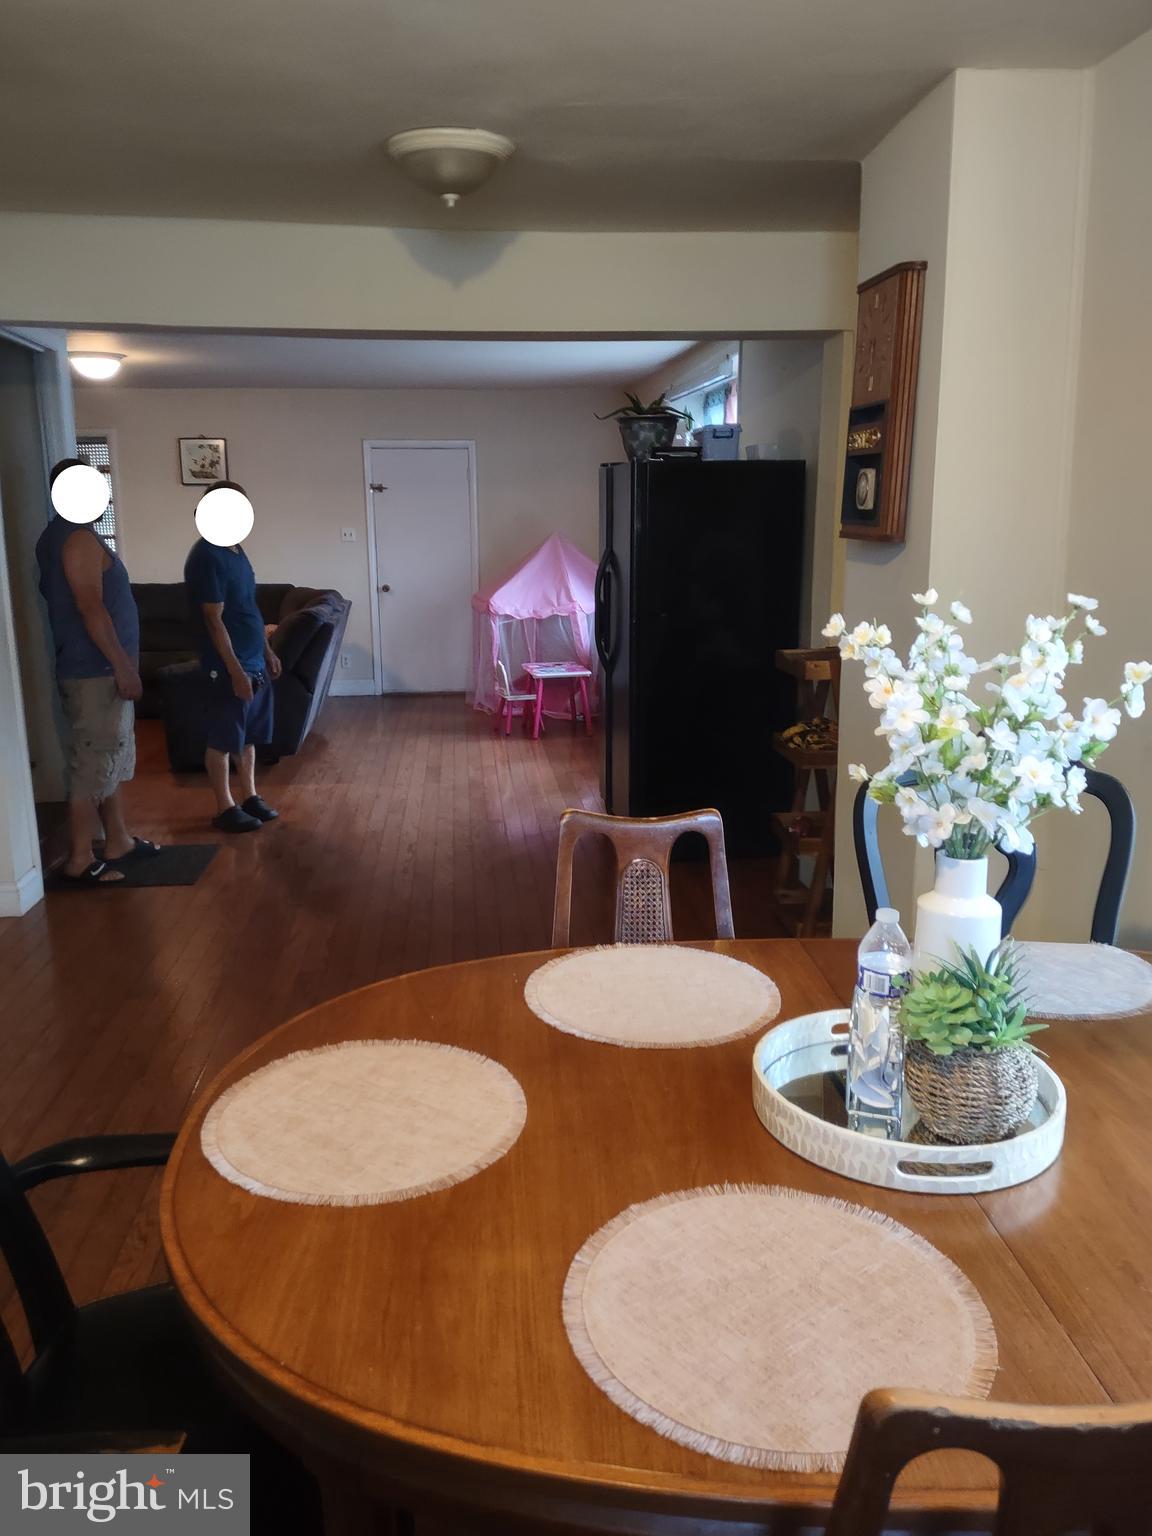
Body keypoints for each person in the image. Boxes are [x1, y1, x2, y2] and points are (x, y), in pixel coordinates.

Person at [35, 458, 159, 884]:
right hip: (96, 672)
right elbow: (91, 606)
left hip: (95, 670)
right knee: (92, 766)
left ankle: (118, 840)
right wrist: (123, 666)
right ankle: (79, 860)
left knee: (107, 759)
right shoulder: (76, 540)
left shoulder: (61, 537)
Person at [183, 481, 281, 832]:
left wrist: (267, 650)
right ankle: (225, 806)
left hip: (254, 659)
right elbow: (213, 617)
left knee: (249, 736)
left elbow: (247, 606)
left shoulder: (236, 549)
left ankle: (250, 795)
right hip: (226, 664)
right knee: (224, 738)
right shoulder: (206, 555)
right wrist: (235, 671)